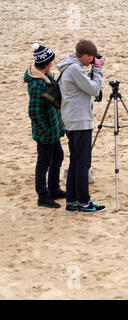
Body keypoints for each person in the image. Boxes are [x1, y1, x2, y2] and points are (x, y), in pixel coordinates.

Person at [57, 39, 106, 213]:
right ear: (84, 56)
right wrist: (98, 70)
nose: (92, 61)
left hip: (72, 120)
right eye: (91, 58)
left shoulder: (69, 66)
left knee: (76, 162)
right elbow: (93, 90)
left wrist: (93, 69)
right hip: (79, 122)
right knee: (82, 163)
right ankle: (84, 202)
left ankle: (72, 201)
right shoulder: (75, 69)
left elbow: (86, 87)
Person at [24, 43, 66, 208]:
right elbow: (34, 112)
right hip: (45, 133)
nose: (52, 65)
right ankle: (43, 196)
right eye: (50, 62)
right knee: (43, 162)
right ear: (45, 64)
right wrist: (46, 130)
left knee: (57, 157)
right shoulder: (37, 85)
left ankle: (54, 189)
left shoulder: (45, 77)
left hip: (52, 130)